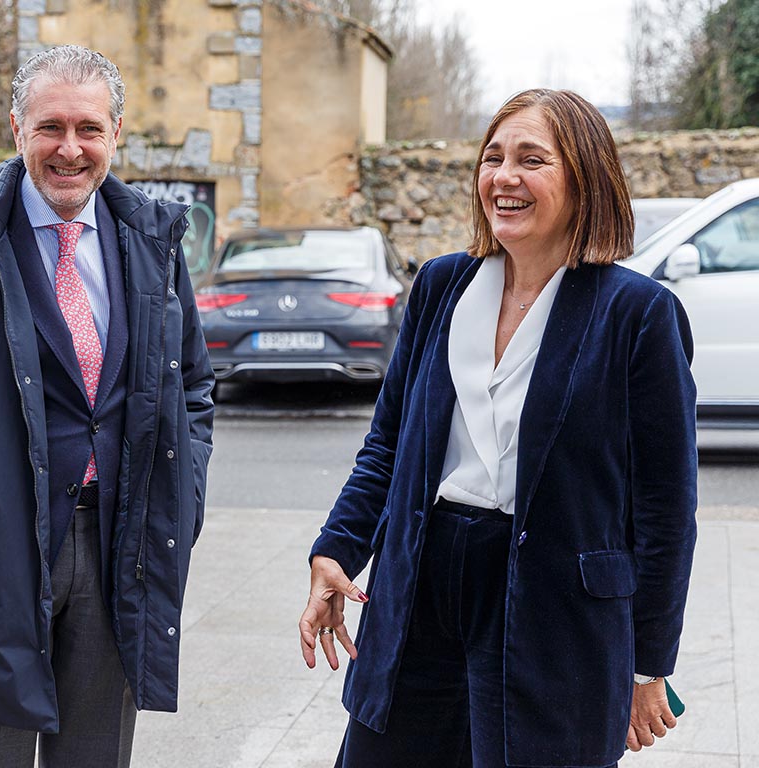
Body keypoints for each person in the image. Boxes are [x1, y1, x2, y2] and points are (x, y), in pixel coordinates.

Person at [298, 89, 697, 768]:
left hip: (556, 609)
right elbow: (388, 444)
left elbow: (666, 510)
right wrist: (337, 550)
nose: (504, 177)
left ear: (584, 178)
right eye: (493, 157)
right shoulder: (441, 286)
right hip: (421, 583)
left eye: (531, 159)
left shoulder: (638, 314)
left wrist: (646, 663)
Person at [0, 45, 214, 768]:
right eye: (50, 127)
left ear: (117, 132)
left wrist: (180, 499)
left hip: (118, 549)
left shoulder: (153, 243)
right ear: (17, 131)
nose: (69, 149)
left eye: (89, 129)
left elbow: (194, 388)